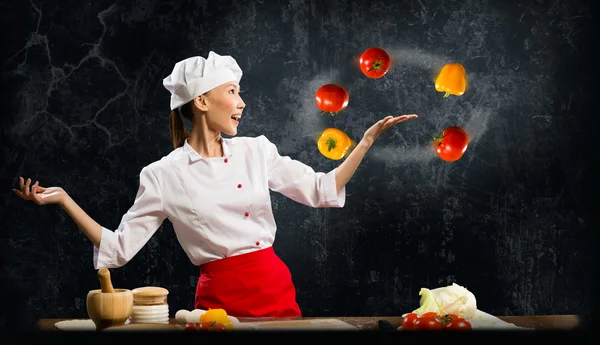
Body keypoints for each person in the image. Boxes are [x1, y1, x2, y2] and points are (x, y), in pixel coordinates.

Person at [13, 50, 418, 318]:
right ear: (202, 102)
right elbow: (118, 249)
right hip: (219, 304)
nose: (241, 102)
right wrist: (65, 200)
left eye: (240, 92)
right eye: (232, 92)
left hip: (276, 290)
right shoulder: (163, 174)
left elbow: (321, 189)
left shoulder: (257, 150)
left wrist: (364, 143)